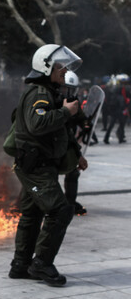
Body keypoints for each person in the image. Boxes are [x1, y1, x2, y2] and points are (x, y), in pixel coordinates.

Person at [8, 44, 86, 287]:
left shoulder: (48, 92)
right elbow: (37, 125)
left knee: (32, 213)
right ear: (46, 67)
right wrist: (65, 112)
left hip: (40, 166)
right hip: (35, 168)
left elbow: (59, 132)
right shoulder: (39, 94)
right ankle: (41, 263)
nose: (64, 71)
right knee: (61, 209)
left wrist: (76, 153)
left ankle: (21, 265)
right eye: (60, 66)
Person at [61, 71, 88, 216]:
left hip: (67, 141)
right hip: (51, 143)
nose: (67, 92)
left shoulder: (74, 102)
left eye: (70, 89)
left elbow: (81, 118)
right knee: (43, 173)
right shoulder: (51, 99)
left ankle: (70, 202)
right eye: (65, 88)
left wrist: (86, 124)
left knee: (73, 172)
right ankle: (23, 203)